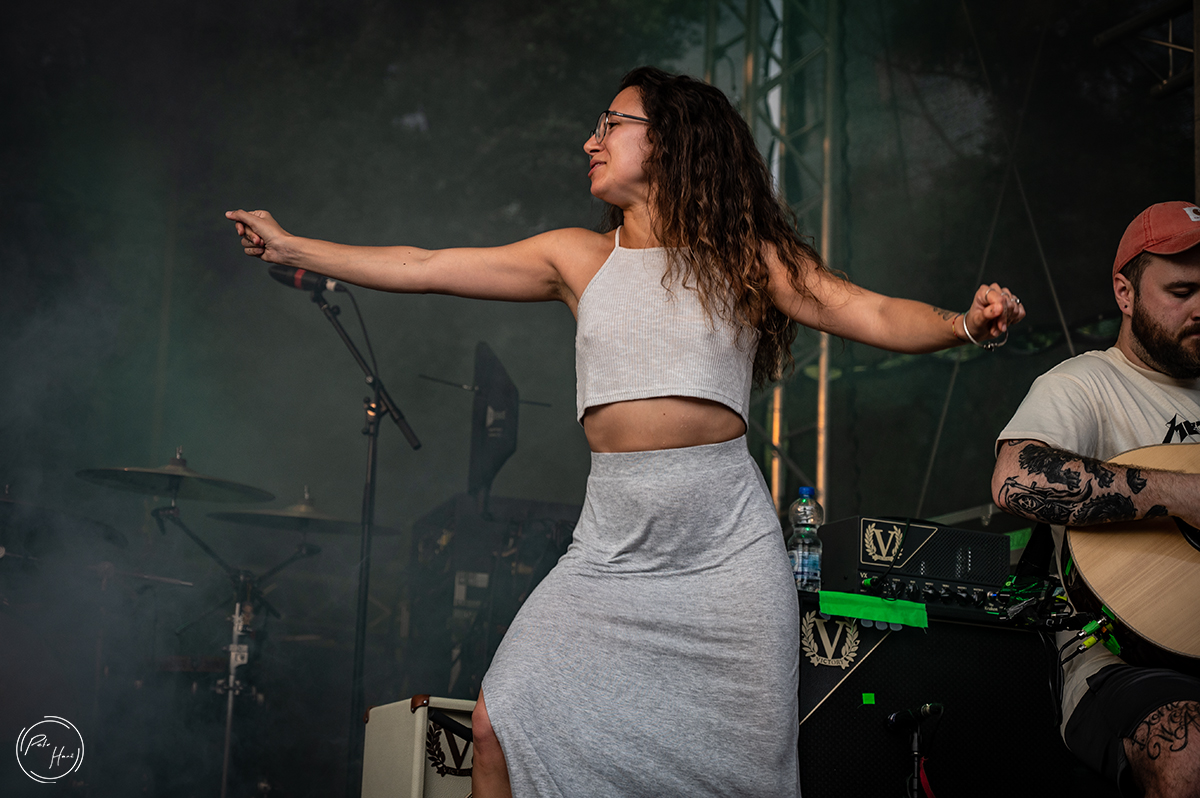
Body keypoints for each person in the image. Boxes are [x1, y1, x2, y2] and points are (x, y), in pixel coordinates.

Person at [228, 66, 1023, 798]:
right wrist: (294, 245)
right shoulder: (577, 259)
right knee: (500, 723)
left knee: (736, 778)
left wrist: (962, 323)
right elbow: (421, 264)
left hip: (726, 560)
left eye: (611, 124)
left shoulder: (747, 257)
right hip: (610, 556)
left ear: (670, 141)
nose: (591, 141)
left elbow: (870, 311)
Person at [992, 201, 1200, 798]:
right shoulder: (1083, 385)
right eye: (1181, 291)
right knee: (1188, 751)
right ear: (1125, 294)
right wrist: (1184, 494)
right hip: (1119, 661)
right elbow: (1015, 478)